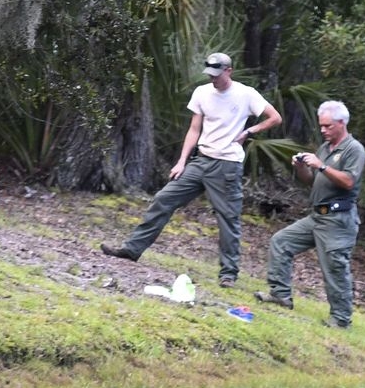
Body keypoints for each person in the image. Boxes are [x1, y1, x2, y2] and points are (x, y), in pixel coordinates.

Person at [101, 52, 282, 287]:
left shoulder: (246, 94)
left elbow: (274, 117)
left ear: (229, 71)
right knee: (164, 198)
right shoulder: (202, 93)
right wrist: (181, 161)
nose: (213, 79)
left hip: (227, 165)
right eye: (210, 75)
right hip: (201, 160)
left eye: (217, 75)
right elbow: (194, 129)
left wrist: (249, 132)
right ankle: (132, 249)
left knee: (228, 219)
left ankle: (228, 274)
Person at [254, 101, 365, 328]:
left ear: (341, 123)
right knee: (281, 242)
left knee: (334, 268)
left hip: (338, 220)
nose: (323, 130)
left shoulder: (354, 149)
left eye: (327, 126)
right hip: (317, 216)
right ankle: (280, 295)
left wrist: (322, 166)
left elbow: (348, 181)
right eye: (321, 126)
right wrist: (302, 168)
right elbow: (313, 182)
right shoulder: (325, 148)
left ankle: (341, 319)